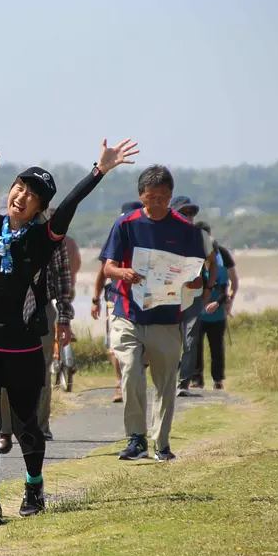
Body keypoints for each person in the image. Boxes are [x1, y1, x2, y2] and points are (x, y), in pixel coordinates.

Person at [0, 84, 138, 526]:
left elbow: (71, 204)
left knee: (28, 427)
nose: (20, 196)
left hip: (24, 347)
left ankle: (33, 485)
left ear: (40, 207)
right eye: (18, 187)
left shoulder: (45, 240)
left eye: (31, 194)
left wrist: (98, 171)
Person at [100, 167, 207, 463]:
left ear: (171, 197)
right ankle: (136, 438)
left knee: (165, 383)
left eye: (164, 197)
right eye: (152, 198)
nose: (158, 203)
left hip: (166, 318)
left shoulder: (186, 229)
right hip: (127, 311)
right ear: (140, 196)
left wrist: (186, 279)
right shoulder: (126, 224)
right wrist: (124, 272)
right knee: (131, 371)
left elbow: (199, 278)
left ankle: (161, 443)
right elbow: (108, 267)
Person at [0, 226, 78, 453]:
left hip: (42, 309)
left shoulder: (53, 237)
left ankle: (39, 426)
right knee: (3, 368)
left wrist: (64, 318)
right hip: (6, 308)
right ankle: (5, 429)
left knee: (41, 370)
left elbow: (63, 279)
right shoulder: (2, 230)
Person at [91, 201, 143, 403]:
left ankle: (133, 381)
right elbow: (103, 270)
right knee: (115, 345)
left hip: (141, 299)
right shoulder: (117, 235)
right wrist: (95, 299)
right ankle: (119, 383)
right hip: (115, 297)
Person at [171, 196, 217, 396]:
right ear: (173, 213)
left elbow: (212, 263)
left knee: (190, 340)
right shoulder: (164, 233)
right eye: (184, 212)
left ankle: (182, 383)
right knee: (169, 341)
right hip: (169, 296)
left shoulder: (201, 236)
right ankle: (167, 378)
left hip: (194, 294)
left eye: (191, 213)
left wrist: (208, 289)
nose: (188, 216)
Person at [195, 222, 239, 390]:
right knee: (194, 345)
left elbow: (230, 284)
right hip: (197, 311)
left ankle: (217, 379)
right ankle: (196, 378)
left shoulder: (222, 258)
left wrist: (226, 303)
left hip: (216, 311)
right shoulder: (192, 257)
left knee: (216, 346)